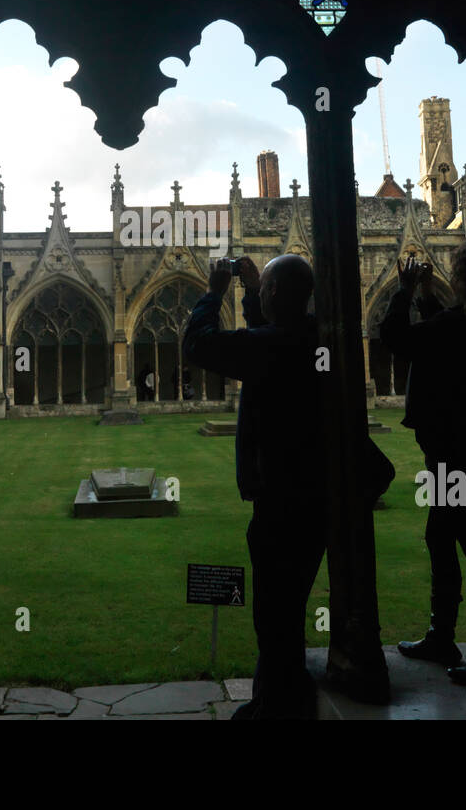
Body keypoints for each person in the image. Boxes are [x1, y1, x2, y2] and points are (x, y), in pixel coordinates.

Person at [183, 254, 326, 718]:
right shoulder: (310, 336)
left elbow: (199, 345)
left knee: (274, 611)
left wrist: (215, 292)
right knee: (287, 605)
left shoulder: (274, 347)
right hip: (312, 492)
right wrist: (251, 291)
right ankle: (282, 694)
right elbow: (266, 331)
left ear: (277, 295)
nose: (259, 295)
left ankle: (276, 708)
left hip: (281, 499)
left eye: (265, 289)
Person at [379, 243, 466, 686]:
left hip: (453, 451)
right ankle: (443, 635)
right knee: (442, 537)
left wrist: (403, 291)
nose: (452, 278)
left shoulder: (458, 325)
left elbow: (395, 338)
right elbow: (439, 341)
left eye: (457, 273)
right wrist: (426, 295)